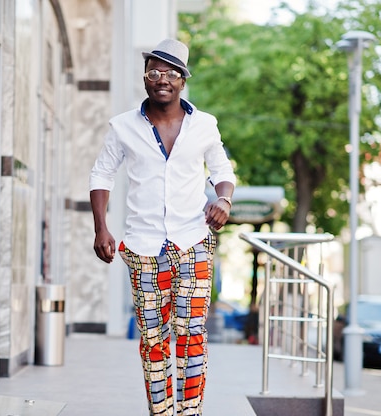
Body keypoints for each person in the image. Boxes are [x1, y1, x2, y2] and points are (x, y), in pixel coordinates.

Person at [89, 38, 236, 416]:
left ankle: (189, 413)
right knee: (154, 338)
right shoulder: (123, 127)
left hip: (193, 240)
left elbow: (222, 171)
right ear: (145, 79)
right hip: (142, 247)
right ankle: (161, 412)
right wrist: (101, 228)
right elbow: (102, 173)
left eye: (170, 73)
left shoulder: (204, 125)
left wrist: (223, 200)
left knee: (192, 336)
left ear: (183, 80)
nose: (161, 79)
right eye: (154, 72)